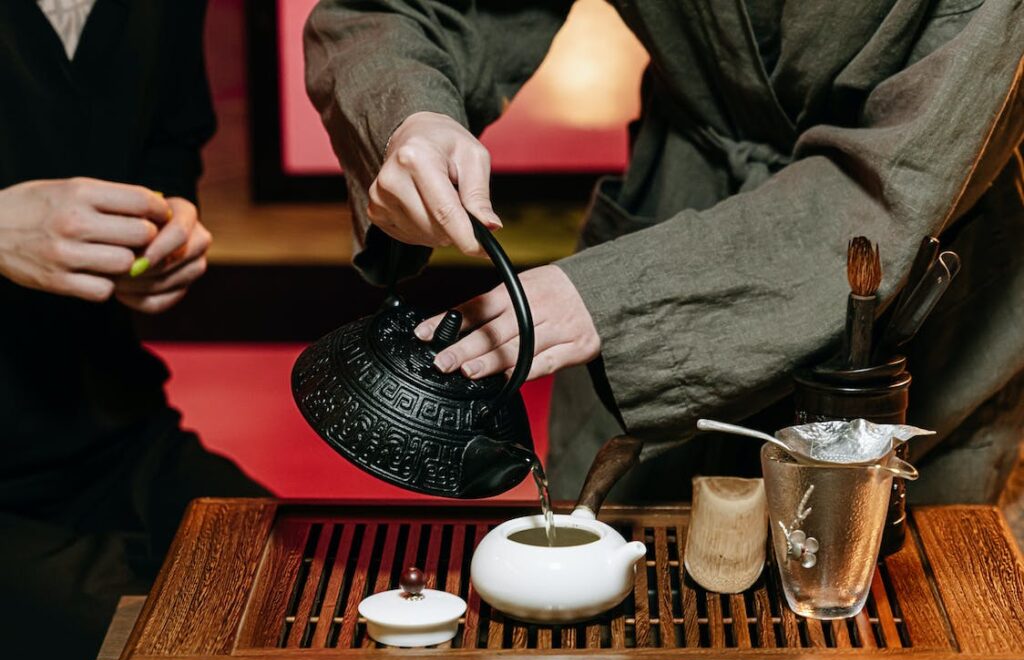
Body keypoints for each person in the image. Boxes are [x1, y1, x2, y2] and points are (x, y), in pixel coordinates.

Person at [305, 2, 1024, 505]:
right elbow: (408, 10)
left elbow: (892, 183)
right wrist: (411, 115)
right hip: (678, 198)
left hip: (923, 300)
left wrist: (613, 300)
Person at [0, 1, 265, 660]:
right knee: (162, 659)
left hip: (113, 425)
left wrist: (163, 232)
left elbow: (170, 145)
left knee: (311, 587)